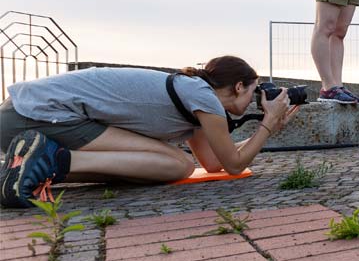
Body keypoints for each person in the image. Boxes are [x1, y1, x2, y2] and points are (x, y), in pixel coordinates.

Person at [0, 56, 298, 208]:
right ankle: (50, 160)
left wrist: (266, 130)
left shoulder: (194, 98)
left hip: (25, 115)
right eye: (254, 91)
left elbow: (214, 163)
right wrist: (267, 124)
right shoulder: (204, 99)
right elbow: (234, 165)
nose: (256, 99)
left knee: (153, 165)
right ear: (238, 86)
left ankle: (28, 170)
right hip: (35, 114)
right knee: (176, 164)